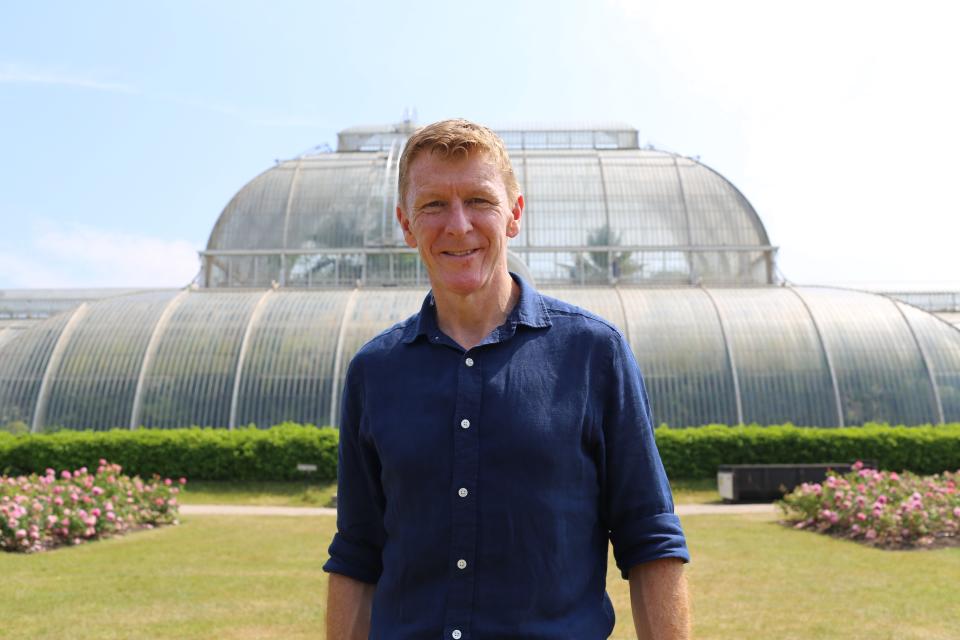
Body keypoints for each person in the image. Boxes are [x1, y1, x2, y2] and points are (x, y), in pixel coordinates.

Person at [324, 119, 690, 639]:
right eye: (433, 205)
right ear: (405, 224)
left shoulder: (594, 353)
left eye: (479, 200)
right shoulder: (374, 370)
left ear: (514, 213)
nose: (458, 225)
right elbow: (358, 552)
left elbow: (649, 537)